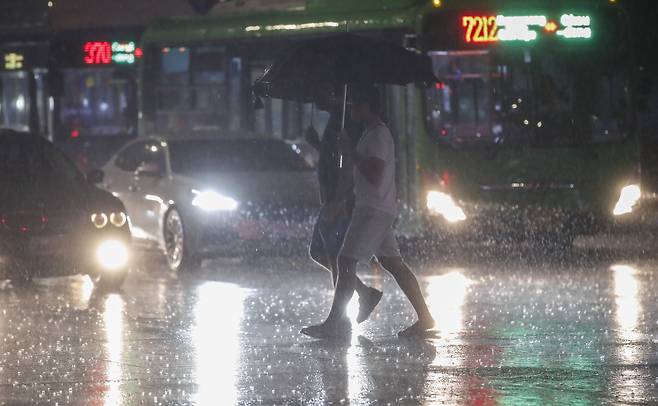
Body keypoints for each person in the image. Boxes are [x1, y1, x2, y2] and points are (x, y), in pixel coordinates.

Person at [302, 86, 435, 339]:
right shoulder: (372, 133)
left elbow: (375, 174)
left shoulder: (378, 136)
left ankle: (335, 322)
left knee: (346, 260)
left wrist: (351, 151)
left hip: (373, 209)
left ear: (367, 107)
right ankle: (425, 317)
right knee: (393, 263)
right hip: (376, 207)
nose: (351, 109)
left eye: (356, 105)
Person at [305, 89, 383, 324]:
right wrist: (317, 144)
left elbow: (348, 163)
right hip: (330, 198)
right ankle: (363, 294)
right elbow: (334, 156)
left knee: (337, 256)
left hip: (342, 201)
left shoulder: (347, 123)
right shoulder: (334, 121)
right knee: (320, 252)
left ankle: (338, 320)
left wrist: (341, 200)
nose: (318, 99)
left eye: (324, 93)